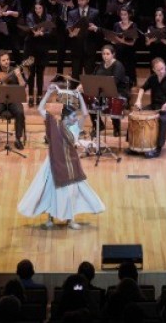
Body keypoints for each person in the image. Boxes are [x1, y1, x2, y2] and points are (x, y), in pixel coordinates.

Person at [18, 84, 105, 229]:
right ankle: (50, 219)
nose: (76, 119)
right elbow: (40, 108)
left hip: (70, 163)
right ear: (65, 117)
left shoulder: (76, 128)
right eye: (73, 117)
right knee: (51, 190)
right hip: (53, 163)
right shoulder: (53, 124)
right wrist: (49, 93)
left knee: (71, 192)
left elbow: (84, 114)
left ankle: (71, 220)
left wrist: (80, 96)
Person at [133, 57, 166, 159]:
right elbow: (142, 88)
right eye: (158, 70)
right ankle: (135, 145)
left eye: (163, 68)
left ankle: (157, 148)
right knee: (137, 116)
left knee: (161, 120)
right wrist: (138, 100)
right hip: (154, 106)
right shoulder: (152, 78)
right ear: (154, 70)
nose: (161, 71)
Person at [49, 0, 85, 80]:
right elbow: (56, 6)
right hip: (61, 23)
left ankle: (76, 76)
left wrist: (73, 6)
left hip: (73, 25)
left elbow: (83, 6)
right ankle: (59, 75)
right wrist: (54, 3)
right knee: (60, 51)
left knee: (75, 51)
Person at [0, 50, 26, 149]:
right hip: (0, 100)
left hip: (14, 100)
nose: (6, 62)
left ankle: (18, 139)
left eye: (8, 59)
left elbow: (23, 85)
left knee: (20, 112)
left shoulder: (16, 70)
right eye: (3, 60)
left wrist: (19, 76)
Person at [89, 44, 129, 137]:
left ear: (113, 54)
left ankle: (116, 127)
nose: (105, 56)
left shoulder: (118, 66)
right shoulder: (100, 65)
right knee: (90, 101)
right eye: (103, 54)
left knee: (113, 99)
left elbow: (114, 82)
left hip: (118, 91)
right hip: (103, 91)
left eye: (108, 54)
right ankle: (98, 125)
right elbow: (93, 78)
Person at [24, 0, 52, 106]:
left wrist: (43, 33)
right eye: (36, 8)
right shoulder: (30, 16)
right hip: (31, 47)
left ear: (43, 8)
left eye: (39, 8)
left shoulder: (48, 16)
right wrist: (35, 31)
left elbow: (50, 31)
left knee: (40, 73)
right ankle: (31, 96)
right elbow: (31, 28)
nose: (37, 10)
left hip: (43, 48)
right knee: (31, 73)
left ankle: (40, 96)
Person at [112, 5, 139, 87]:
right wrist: (113, 40)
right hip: (119, 52)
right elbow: (114, 38)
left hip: (129, 53)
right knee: (119, 69)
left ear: (129, 15)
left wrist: (121, 41)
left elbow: (133, 43)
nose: (123, 16)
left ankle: (130, 86)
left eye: (125, 14)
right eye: (122, 14)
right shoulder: (116, 25)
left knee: (130, 71)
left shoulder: (133, 25)